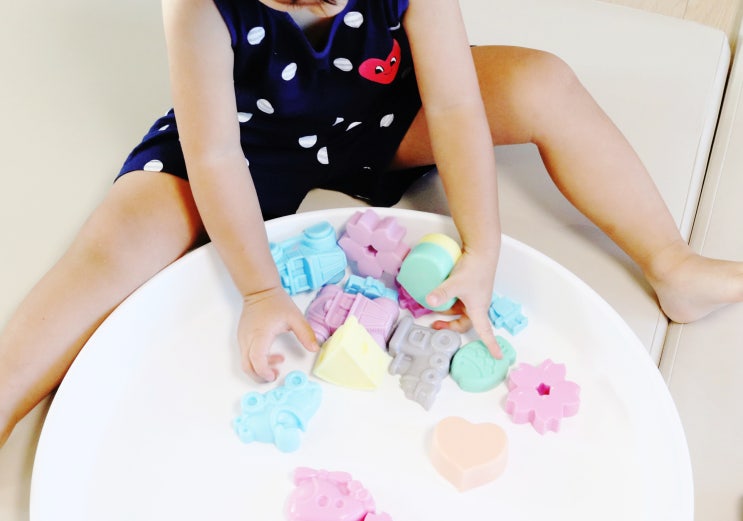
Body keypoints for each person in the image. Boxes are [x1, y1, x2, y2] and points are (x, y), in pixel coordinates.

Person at [1, 0, 743, 449]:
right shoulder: (199, 8)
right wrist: (259, 290)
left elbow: (454, 104)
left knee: (540, 81)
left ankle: (670, 261)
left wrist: (481, 247)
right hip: (249, 139)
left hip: (387, 113)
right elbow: (215, 155)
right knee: (122, 234)